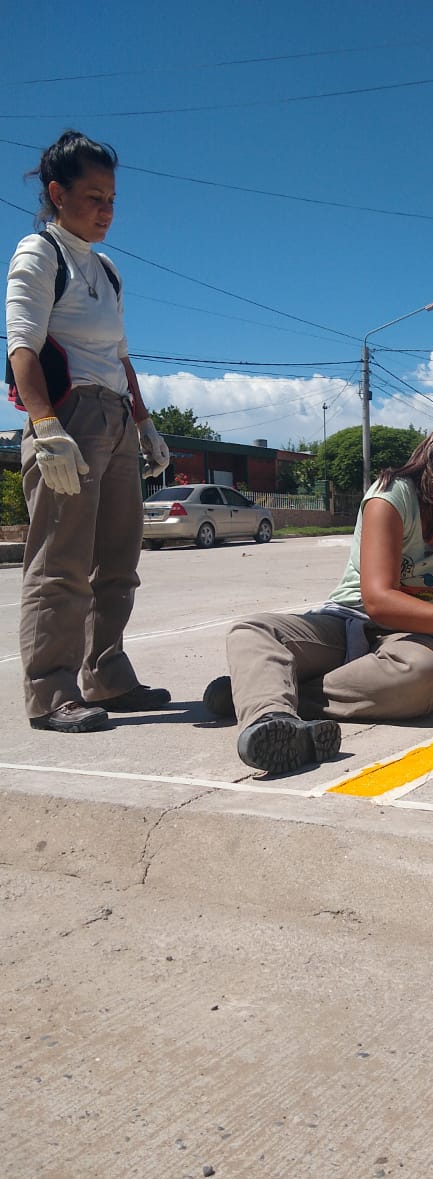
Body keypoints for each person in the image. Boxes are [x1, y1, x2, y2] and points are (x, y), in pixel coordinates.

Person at [204, 416, 433, 775]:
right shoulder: (391, 498)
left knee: (422, 673)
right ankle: (270, 718)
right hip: (351, 620)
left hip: (420, 637)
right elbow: (378, 600)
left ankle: (265, 692)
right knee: (252, 632)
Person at [6, 130, 172, 732]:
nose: (106, 210)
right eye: (94, 197)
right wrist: (45, 426)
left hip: (117, 418)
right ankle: (52, 692)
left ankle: (106, 674)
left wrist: (146, 422)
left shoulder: (106, 268)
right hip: (69, 418)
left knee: (118, 560)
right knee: (60, 563)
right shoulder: (38, 253)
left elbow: (120, 354)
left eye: (112, 199)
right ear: (57, 193)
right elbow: (22, 347)